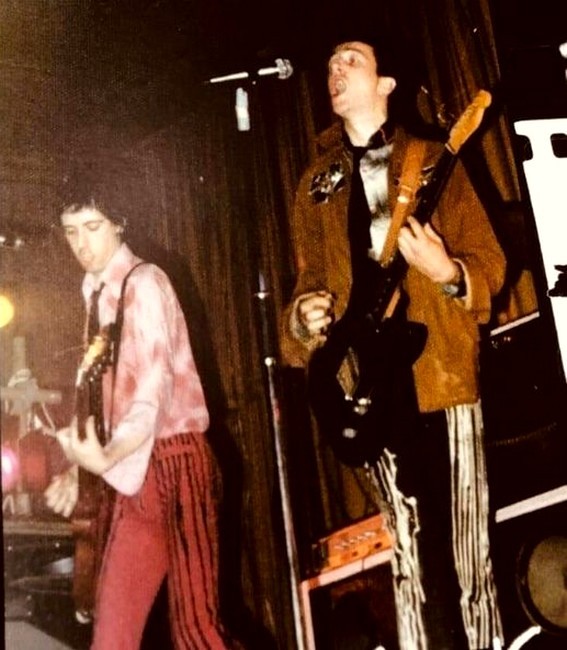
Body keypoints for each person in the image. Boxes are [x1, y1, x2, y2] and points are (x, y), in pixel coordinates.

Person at [280, 36, 506, 650]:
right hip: (366, 384)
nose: (335, 69)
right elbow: (307, 285)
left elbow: (490, 263)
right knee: (409, 550)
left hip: (438, 374)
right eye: (329, 63)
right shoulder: (315, 184)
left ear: (386, 84)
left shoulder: (433, 159)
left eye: (351, 60)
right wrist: (304, 316)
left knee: (466, 550)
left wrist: (448, 271)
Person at [44, 191, 231, 650]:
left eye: (93, 228)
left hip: (177, 462)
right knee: (111, 638)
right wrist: (81, 467)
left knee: (196, 632)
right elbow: (105, 400)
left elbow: (151, 394)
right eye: (71, 232)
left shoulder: (145, 283)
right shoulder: (94, 294)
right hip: (132, 478)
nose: (82, 244)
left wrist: (106, 456)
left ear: (118, 223)